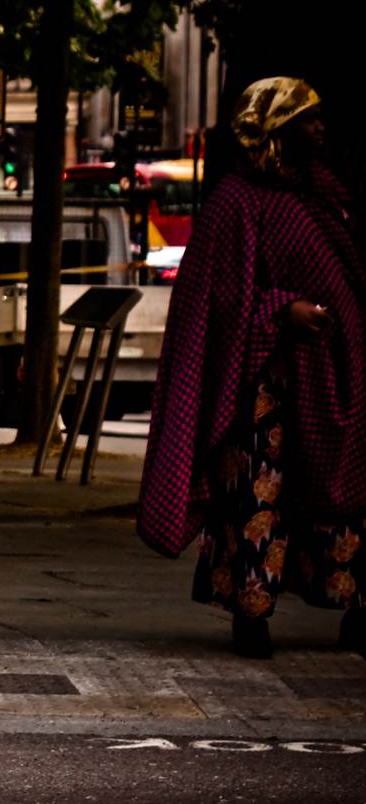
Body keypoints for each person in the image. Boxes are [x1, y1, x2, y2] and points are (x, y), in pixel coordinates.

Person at [140, 77, 365, 660]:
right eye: (308, 120)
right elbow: (216, 297)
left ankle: (355, 607)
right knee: (257, 495)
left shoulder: (324, 196)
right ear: (277, 129)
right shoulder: (236, 200)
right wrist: (280, 309)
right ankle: (251, 610)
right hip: (262, 381)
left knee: (345, 493)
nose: (320, 129)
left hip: (330, 374)